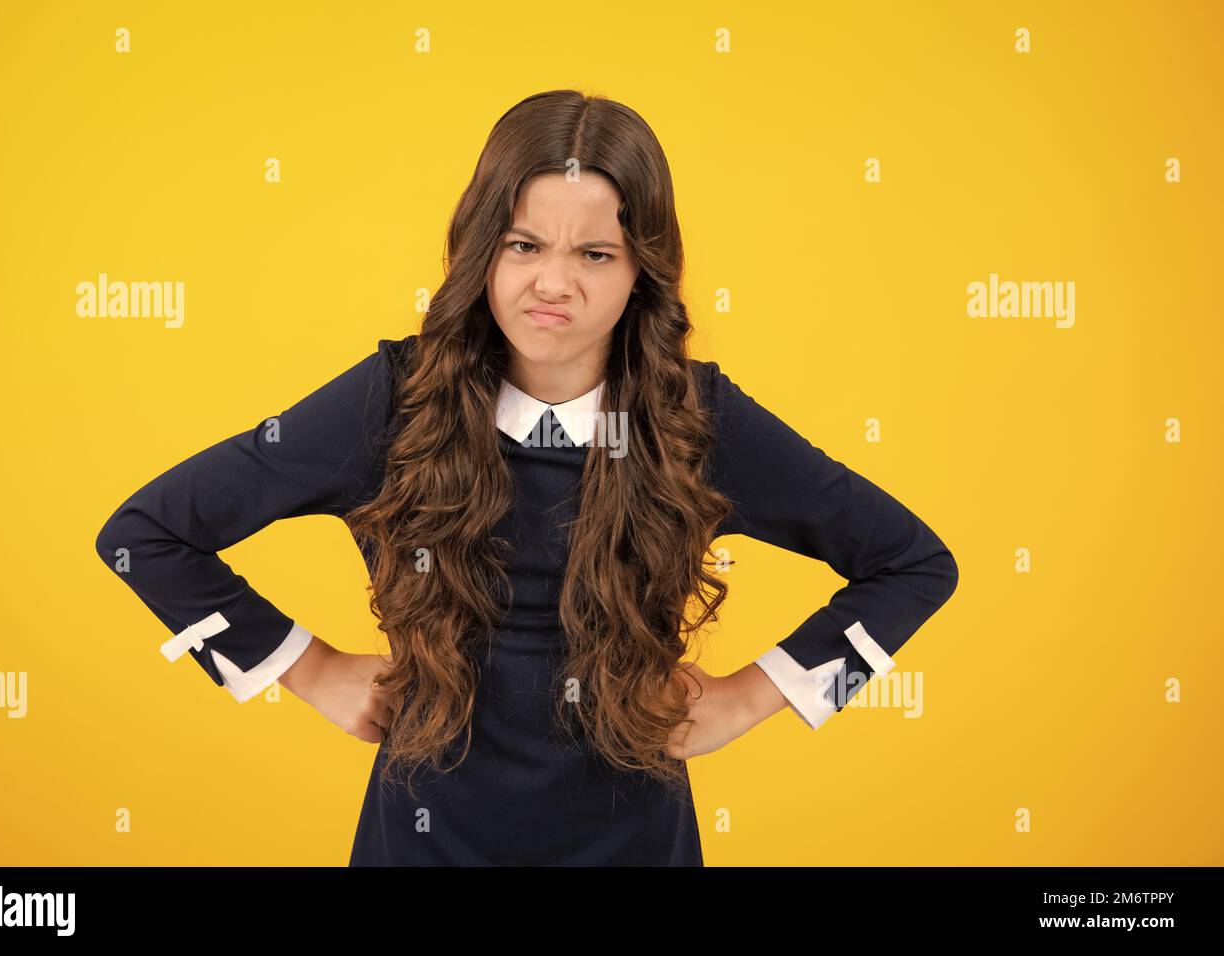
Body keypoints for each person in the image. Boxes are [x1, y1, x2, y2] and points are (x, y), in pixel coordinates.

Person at [94, 89, 958, 866]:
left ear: (641, 273)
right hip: (418, 843)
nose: (554, 283)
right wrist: (306, 669)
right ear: (483, 251)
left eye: (595, 254)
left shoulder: (696, 418)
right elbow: (144, 535)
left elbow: (916, 565)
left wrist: (755, 699)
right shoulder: (393, 401)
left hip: (636, 843)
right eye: (525, 244)